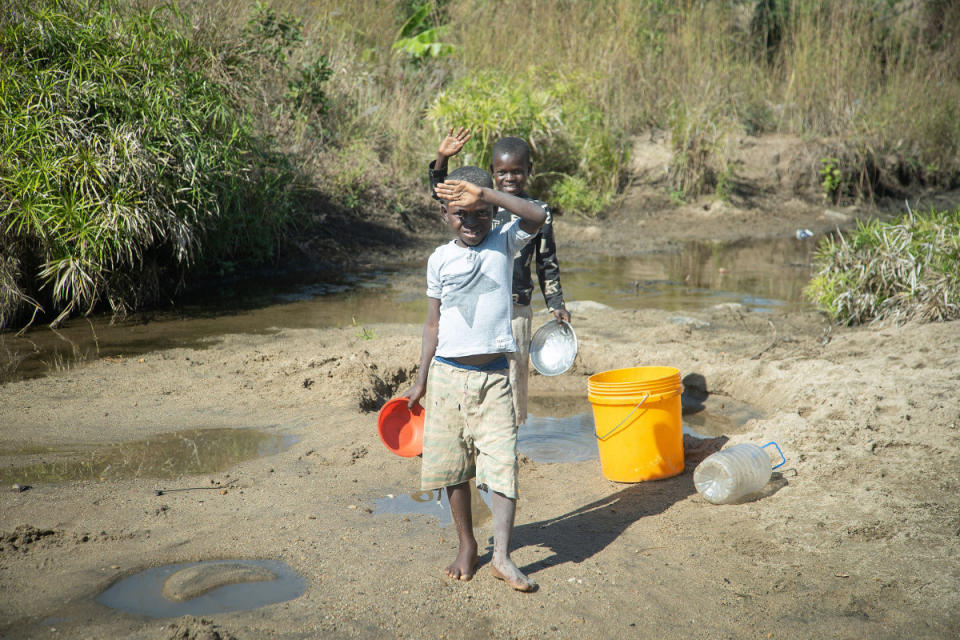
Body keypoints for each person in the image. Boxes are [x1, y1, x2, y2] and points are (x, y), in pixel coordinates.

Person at [402, 165, 546, 592]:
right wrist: (420, 378)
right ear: (446, 214)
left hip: (494, 379)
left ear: (491, 212)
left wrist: (486, 193)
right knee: (453, 467)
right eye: (460, 215)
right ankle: (467, 544)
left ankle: (501, 554)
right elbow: (432, 324)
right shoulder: (439, 258)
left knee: (502, 466)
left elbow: (537, 215)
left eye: (480, 213)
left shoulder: (504, 240)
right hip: (446, 377)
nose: (471, 223)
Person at [429, 128, 570, 426]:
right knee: (479, 373)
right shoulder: (483, 207)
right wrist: (441, 159)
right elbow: (445, 197)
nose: (510, 179)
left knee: (514, 376)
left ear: (528, 172)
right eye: (502, 172)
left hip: (516, 309)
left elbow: (547, 260)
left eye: (517, 172)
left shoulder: (535, 212)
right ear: (493, 174)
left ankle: (509, 436)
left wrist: (555, 302)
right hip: (479, 307)